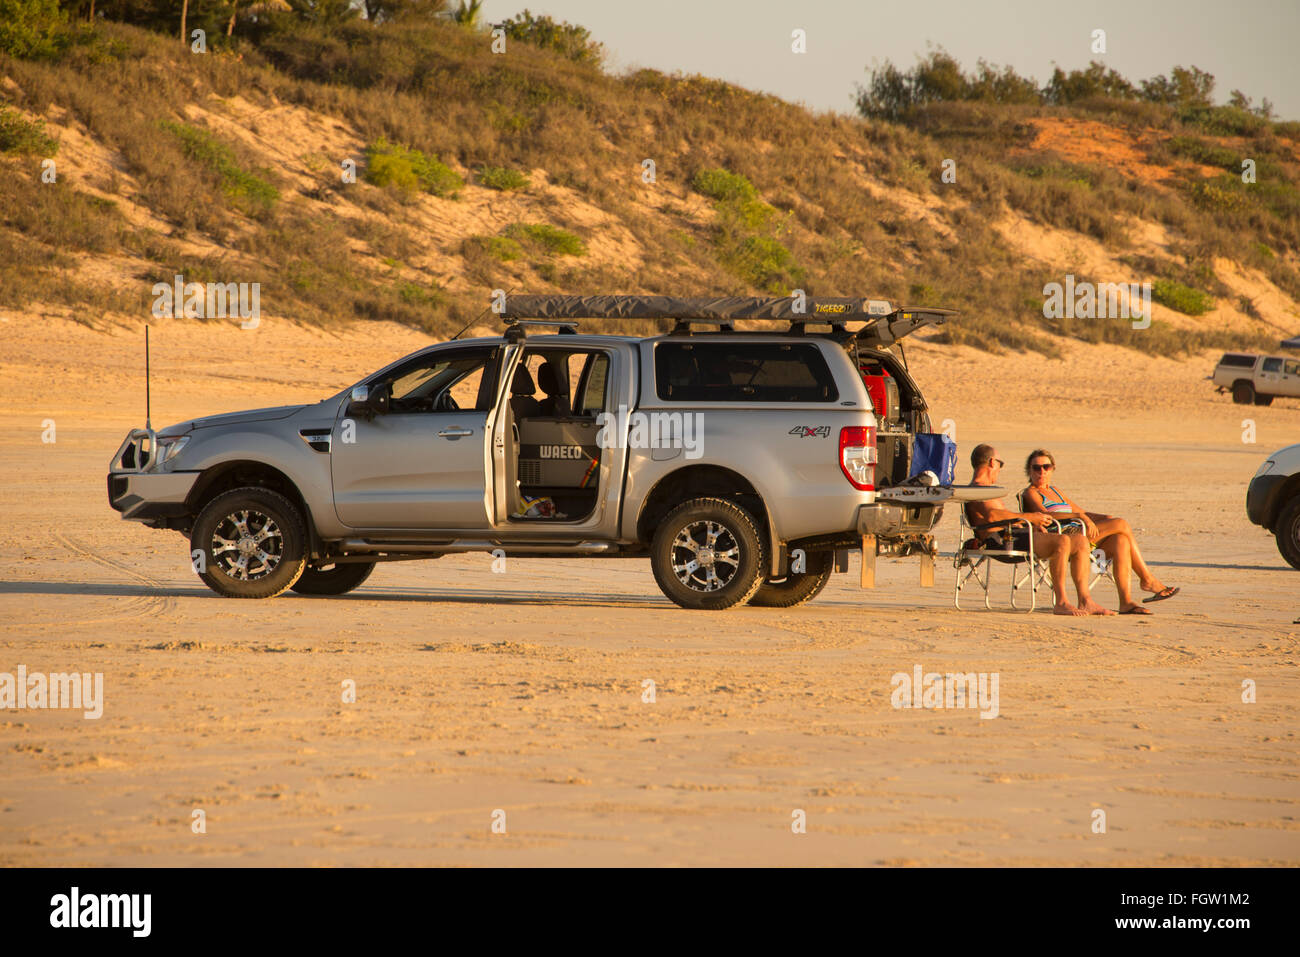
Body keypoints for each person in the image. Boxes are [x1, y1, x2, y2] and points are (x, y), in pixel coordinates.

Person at [1019, 448, 1179, 615]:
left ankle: (1125, 602)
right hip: (1064, 535)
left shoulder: (1056, 491)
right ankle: (1147, 579)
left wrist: (1104, 517)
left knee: (1120, 540)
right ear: (1029, 471)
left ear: (1053, 468)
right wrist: (1080, 516)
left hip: (1080, 530)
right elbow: (1045, 515)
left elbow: (1082, 512)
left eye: (1046, 467)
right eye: (1036, 468)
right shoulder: (1031, 493)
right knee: (1121, 524)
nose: (1041, 471)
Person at [967, 444, 1113, 616]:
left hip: (1014, 534)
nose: (1000, 469)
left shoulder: (985, 488)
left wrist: (1028, 523)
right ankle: (1061, 602)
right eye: (1001, 464)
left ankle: (1085, 600)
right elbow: (992, 516)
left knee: (1080, 541)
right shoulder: (979, 488)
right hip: (1000, 541)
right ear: (992, 462)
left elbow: (1000, 516)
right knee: (1062, 540)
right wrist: (1031, 517)